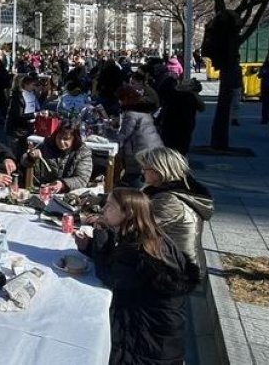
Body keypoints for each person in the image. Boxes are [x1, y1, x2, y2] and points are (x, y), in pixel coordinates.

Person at [75, 188, 198, 365]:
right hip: (159, 332)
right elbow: (116, 261)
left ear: (129, 213)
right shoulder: (146, 235)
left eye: (110, 206)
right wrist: (89, 247)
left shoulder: (141, 249)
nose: (103, 209)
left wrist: (101, 233)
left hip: (149, 343)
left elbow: (109, 275)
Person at [138, 147, 215, 282]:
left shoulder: (170, 201)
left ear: (160, 170)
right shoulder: (169, 192)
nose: (142, 171)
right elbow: (135, 203)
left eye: (145, 168)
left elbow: (143, 230)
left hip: (180, 273)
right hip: (175, 262)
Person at [115, 84, 163, 188]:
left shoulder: (131, 114)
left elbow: (123, 134)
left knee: (137, 180)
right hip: (151, 149)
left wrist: (110, 137)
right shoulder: (142, 110)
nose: (119, 102)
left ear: (125, 99)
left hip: (140, 153)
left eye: (120, 99)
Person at [22, 125, 93, 192]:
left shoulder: (83, 152)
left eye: (66, 139)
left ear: (74, 139)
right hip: (45, 190)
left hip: (70, 193)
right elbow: (24, 162)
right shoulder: (47, 145)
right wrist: (30, 157)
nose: (61, 142)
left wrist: (62, 184)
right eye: (59, 138)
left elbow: (82, 179)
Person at [158, 78, 205, 156]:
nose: (183, 81)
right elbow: (201, 108)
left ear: (190, 87)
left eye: (188, 83)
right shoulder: (190, 97)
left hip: (175, 126)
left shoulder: (186, 97)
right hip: (180, 127)